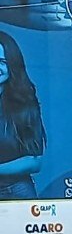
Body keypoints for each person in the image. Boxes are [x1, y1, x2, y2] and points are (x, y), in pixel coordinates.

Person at [0, 30, 45, 200]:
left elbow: (35, 161)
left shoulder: (24, 104)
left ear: (12, 65)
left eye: (2, 62)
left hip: (16, 192)